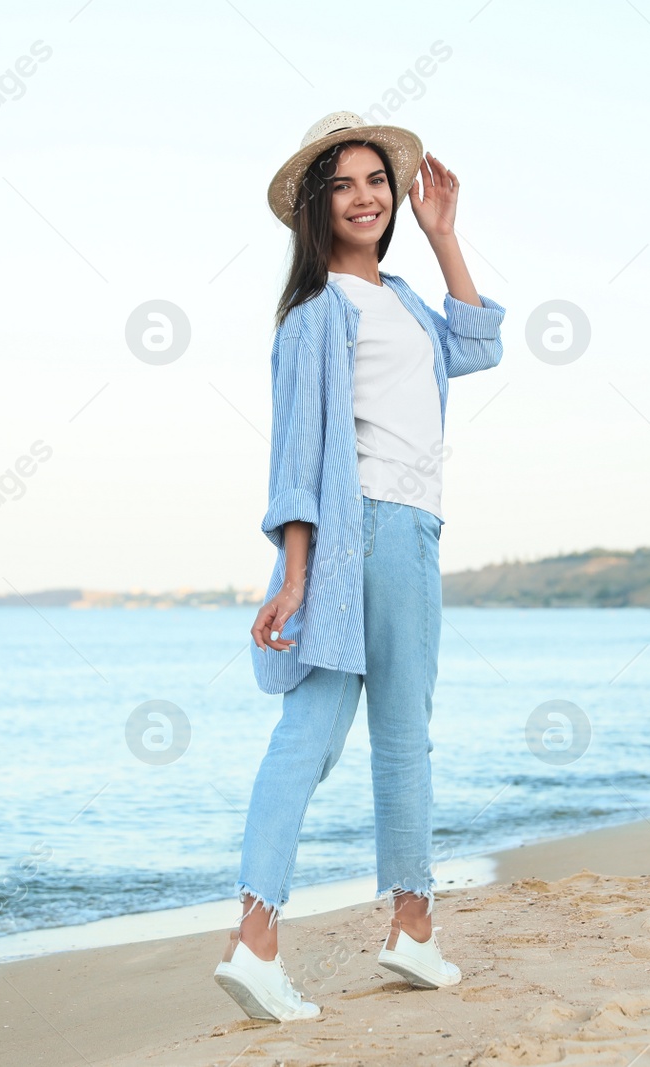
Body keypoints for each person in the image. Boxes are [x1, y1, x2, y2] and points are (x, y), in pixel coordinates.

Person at [213, 111, 506, 1023]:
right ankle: (275, 938)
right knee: (347, 734)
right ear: (317, 206)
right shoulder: (316, 316)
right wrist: (296, 574)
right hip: (366, 535)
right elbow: (297, 456)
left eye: (376, 181)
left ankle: (388, 930)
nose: (366, 196)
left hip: (409, 532)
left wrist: (446, 235)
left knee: (363, 735)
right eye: (343, 184)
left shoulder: (409, 303)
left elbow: (481, 343)